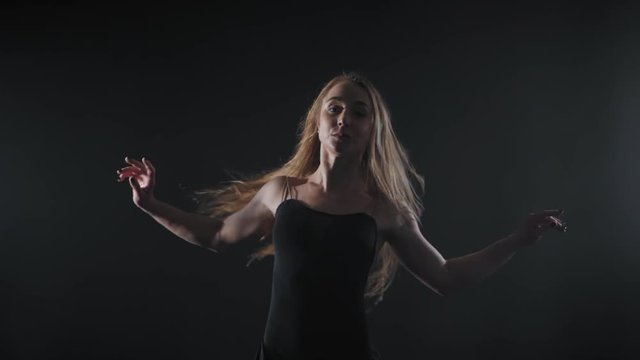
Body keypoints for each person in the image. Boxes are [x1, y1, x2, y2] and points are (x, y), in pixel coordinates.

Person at [116, 72, 567, 360]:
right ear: (317, 122)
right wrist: (151, 203)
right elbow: (218, 236)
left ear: (372, 129)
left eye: (358, 111)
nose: (343, 119)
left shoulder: (383, 211)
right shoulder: (284, 192)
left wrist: (516, 240)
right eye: (334, 108)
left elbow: (446, 277)